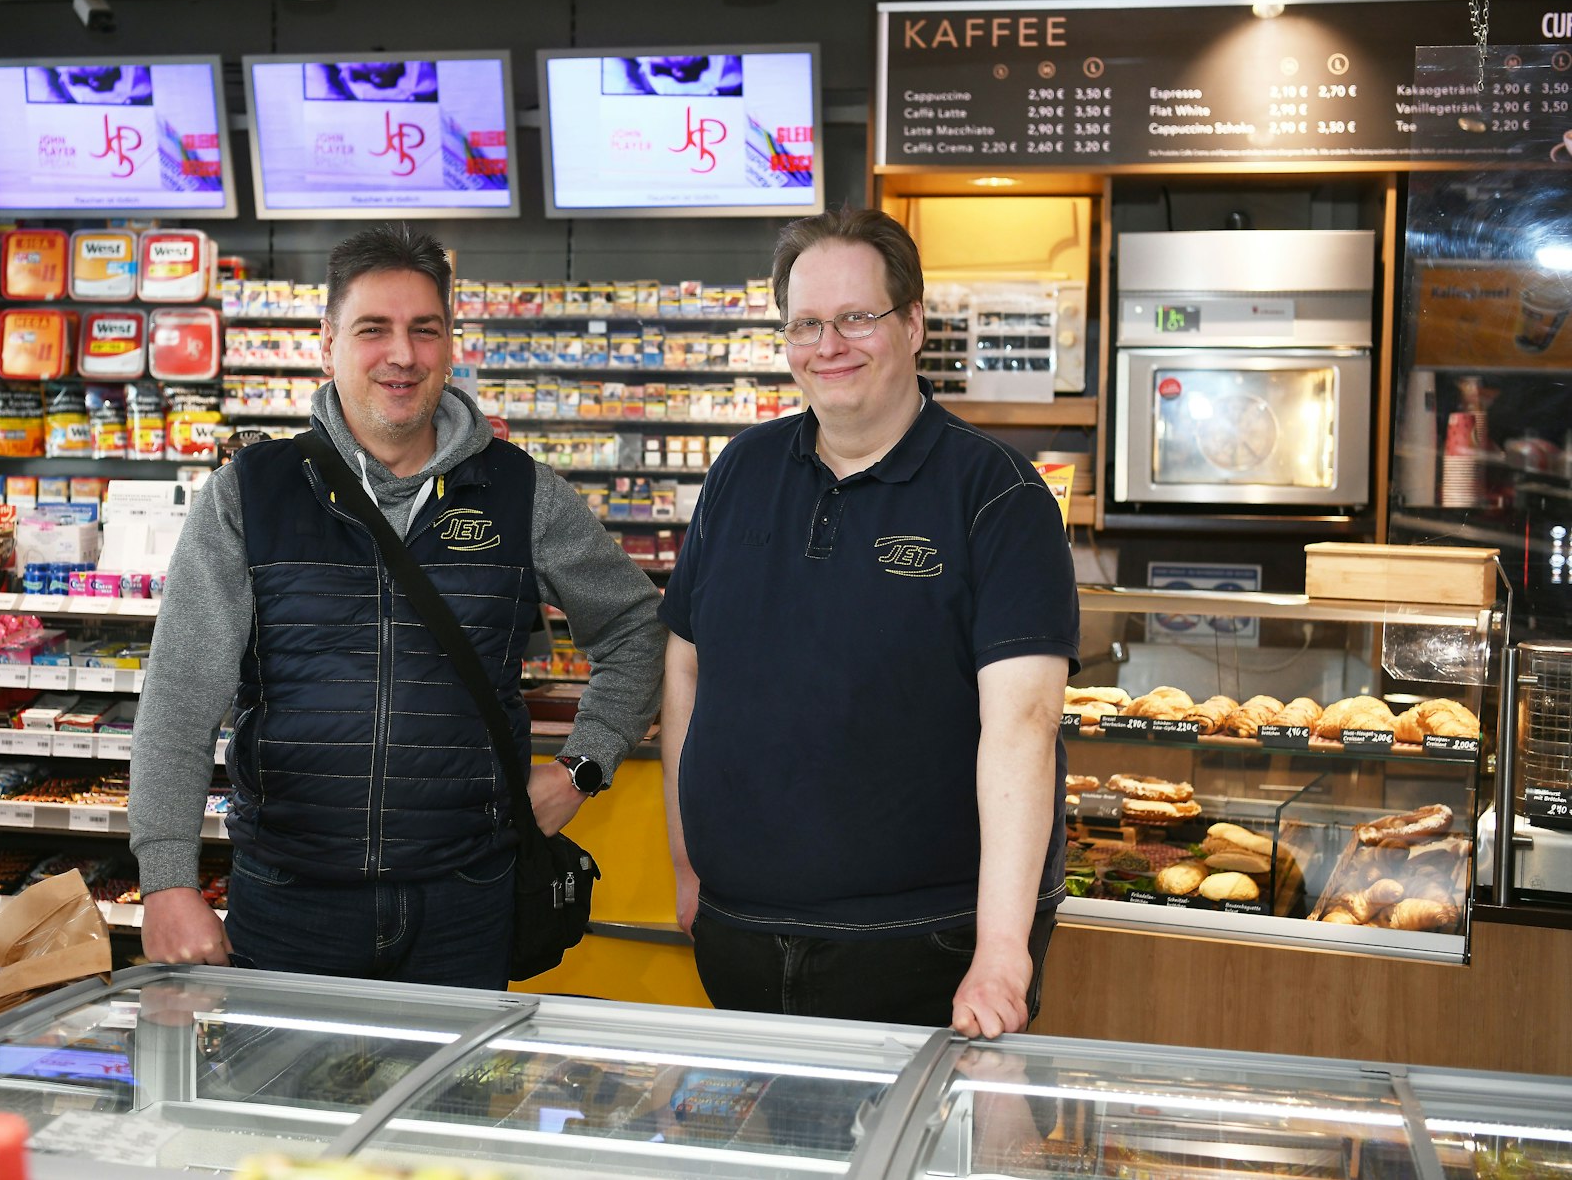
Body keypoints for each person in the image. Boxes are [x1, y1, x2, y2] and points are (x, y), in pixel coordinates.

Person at [131, 223, 665, 989]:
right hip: (290, 899)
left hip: (467, 901)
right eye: (373, 328)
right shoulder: (249, 494)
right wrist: (167, 876)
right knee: (282, 1109)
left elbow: (636, 627)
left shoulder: (521, 493)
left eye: (425, 329)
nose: (402, 355)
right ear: (327, 344)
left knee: (446, 1110)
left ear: (451, 344)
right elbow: (180, 697)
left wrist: (582, 766)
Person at [659, 206, 1077, 1037]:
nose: (829, 345)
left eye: (857, 317)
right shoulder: (739, 472)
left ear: (914, 322)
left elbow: (1024, 726)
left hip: (925, 946)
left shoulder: (996, 495)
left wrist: (1001, 950)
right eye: (806, 323)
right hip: (739, 928)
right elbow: (685, 668)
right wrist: (685, 863)